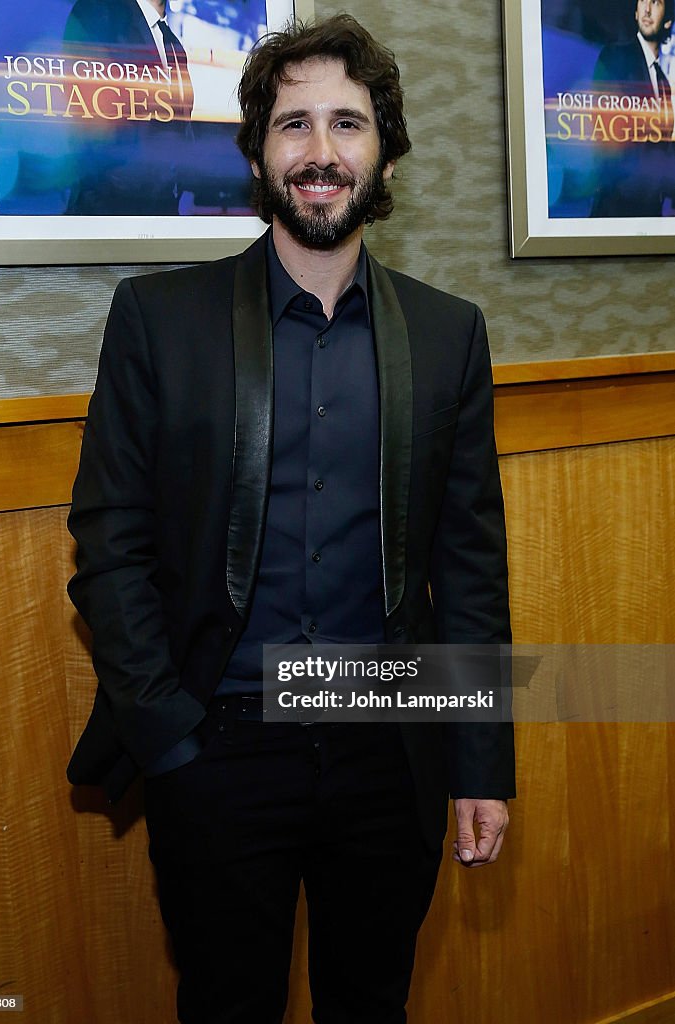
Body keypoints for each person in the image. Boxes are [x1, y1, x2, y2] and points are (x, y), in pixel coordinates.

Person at [66, 14, 515, 1023]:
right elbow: (108, 546)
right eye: (294, 125)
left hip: (387, 751)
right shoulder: (156, 320)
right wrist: (171, 743)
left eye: (347, 125)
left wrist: (479, 762)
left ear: (383, 154)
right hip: (215, 751)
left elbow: (469, 567)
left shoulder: (451, 336)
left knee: (372, 1002)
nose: (320, 152)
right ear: (259, 154)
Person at [63, 0, 194, 214]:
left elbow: (182, 126)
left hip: (165, 213)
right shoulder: (99, 11)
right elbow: (86, 121)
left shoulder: (173, 44)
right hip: (108, 215)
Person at [591, 0, 673, 216]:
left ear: (668, 21)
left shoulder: (664, 83)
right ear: (636, 12)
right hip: (615, 209)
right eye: (642, 1)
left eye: (655, 2)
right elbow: (603, 135)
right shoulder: (614, 56)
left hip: (650, 213)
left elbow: (664, 149)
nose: (647, 9)